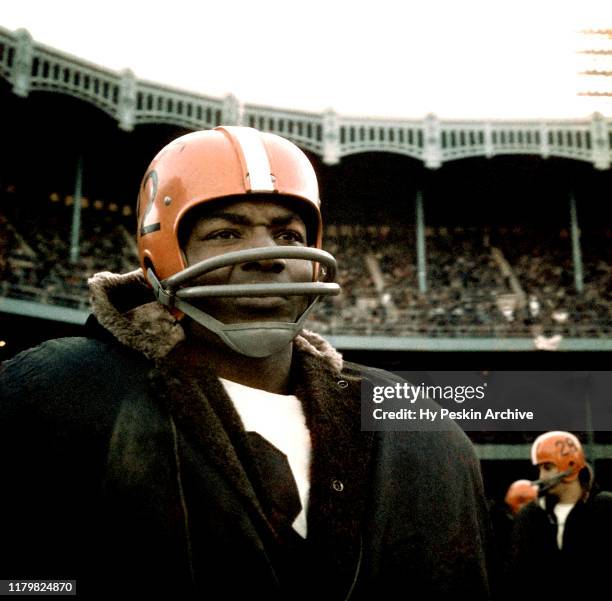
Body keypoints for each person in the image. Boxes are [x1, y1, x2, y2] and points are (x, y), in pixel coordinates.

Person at [0, 126, 491, 599]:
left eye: (288, 234)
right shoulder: (53, 393)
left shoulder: (417, 424)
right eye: (226, 233)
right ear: (161, 259)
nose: (267, 254)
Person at [507, 430, 612, 596]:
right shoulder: (532, 515)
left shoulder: (604, 508)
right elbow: (518, 577)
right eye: (540, 468)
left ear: (570, 465)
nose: (541, 476)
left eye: (548, 467)